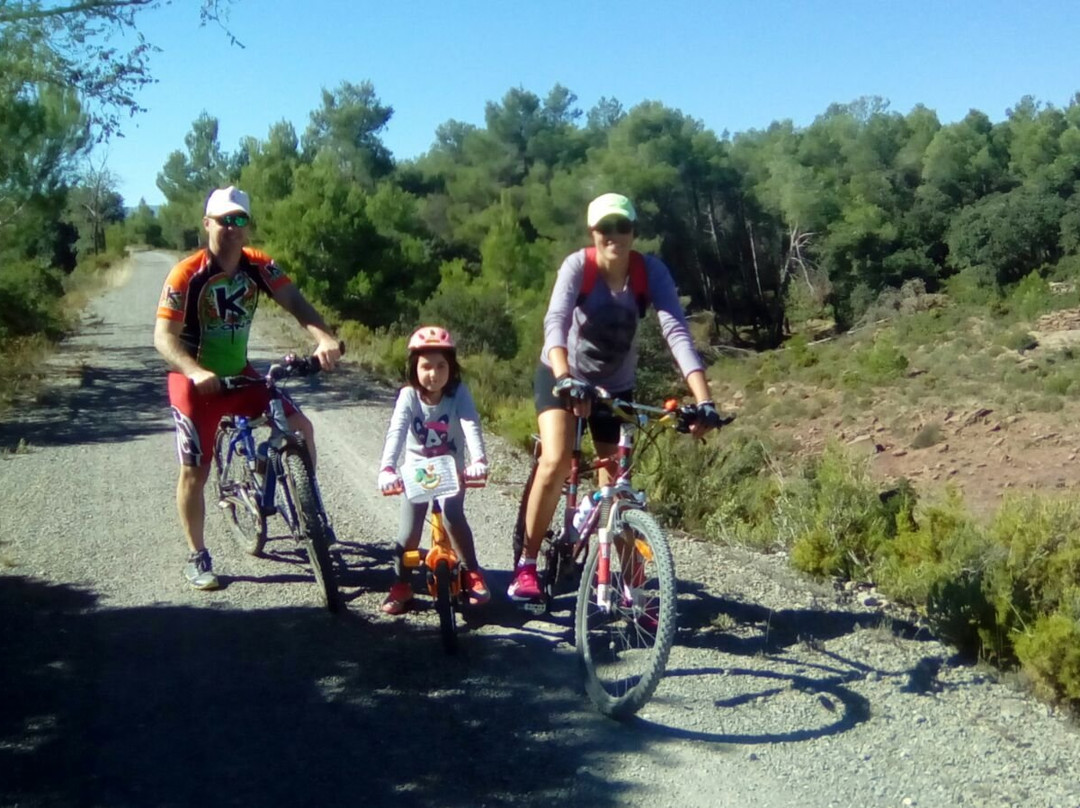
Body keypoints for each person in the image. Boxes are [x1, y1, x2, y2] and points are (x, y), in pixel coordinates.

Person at [507, 192, 725, 602]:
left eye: (622, 227)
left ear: (633, 232)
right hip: (561, 375)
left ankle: (630, 586)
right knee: (554, 461)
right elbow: (555, 322)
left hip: (615, 386)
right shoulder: (578, 266)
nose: (614, 235)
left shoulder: (649, 272)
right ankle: (526, 566)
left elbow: (676, 330)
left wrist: (705, 400)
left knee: (618, 487)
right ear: (593, 233)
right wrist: (565, 376)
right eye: (605, 228)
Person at [154, 186, 341, 590]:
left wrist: (324, 338)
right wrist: (194, 370)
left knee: (300, 427)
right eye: (224, 220)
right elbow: (163, 338)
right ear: (207, 224)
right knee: (194, 471)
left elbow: (296, 302)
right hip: (195, 383)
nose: (232, 228)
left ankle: (312, 512)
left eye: (240, 220)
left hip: (240, 372)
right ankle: (197, 555)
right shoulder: (186, 274)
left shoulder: (259, 265)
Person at [377, 325, 490, 614]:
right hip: (416, 471)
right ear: (414, 367)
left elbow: (470, 424)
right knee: (409, 532)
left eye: (441, 366)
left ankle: (472, 570)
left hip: (451, 469)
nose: (434, 374)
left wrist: (479, 461)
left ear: (451, 368)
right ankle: (402, 584)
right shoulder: (408, 396)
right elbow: (397, 431)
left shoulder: (459, 393)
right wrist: (387, 469)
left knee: (453, 516)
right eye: (426, 366)